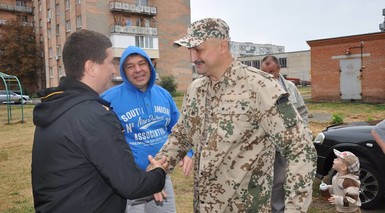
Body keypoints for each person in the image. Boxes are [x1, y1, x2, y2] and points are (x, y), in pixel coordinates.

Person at [154, 18, 317, 212]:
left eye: (198, 49)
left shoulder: (260, 87)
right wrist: (159, 168)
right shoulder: (196, 89)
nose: (192, 57)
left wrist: (294, 209)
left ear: (223, 46)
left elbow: (300, 149)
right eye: (190, 50)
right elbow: (181, 135)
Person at [31, 29, 167, 213]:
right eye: (110, 62)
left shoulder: (58, 105)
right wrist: (159, 173)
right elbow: (131, 185)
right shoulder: (95, 117)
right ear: (90, 67)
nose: (113, 69)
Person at [101, 46, 194, 212]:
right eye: (130, 66)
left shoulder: (164, 95)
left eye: (142, 63)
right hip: (129, 181)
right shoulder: (109, 99)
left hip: (160, 176)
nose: (138, 70)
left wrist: (187, 153)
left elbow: (179, 129)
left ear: (150, 67)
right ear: (123, 71)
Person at [260, 55, 309, 213]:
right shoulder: (257, 88)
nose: (268, 74)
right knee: (274, 181)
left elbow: (301, 111)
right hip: (266, 145)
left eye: (271, 71)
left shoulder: (290, 88)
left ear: (278, 69)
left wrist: (302, 132)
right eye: (264, 71)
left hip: (290, 143)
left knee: (290, 178)